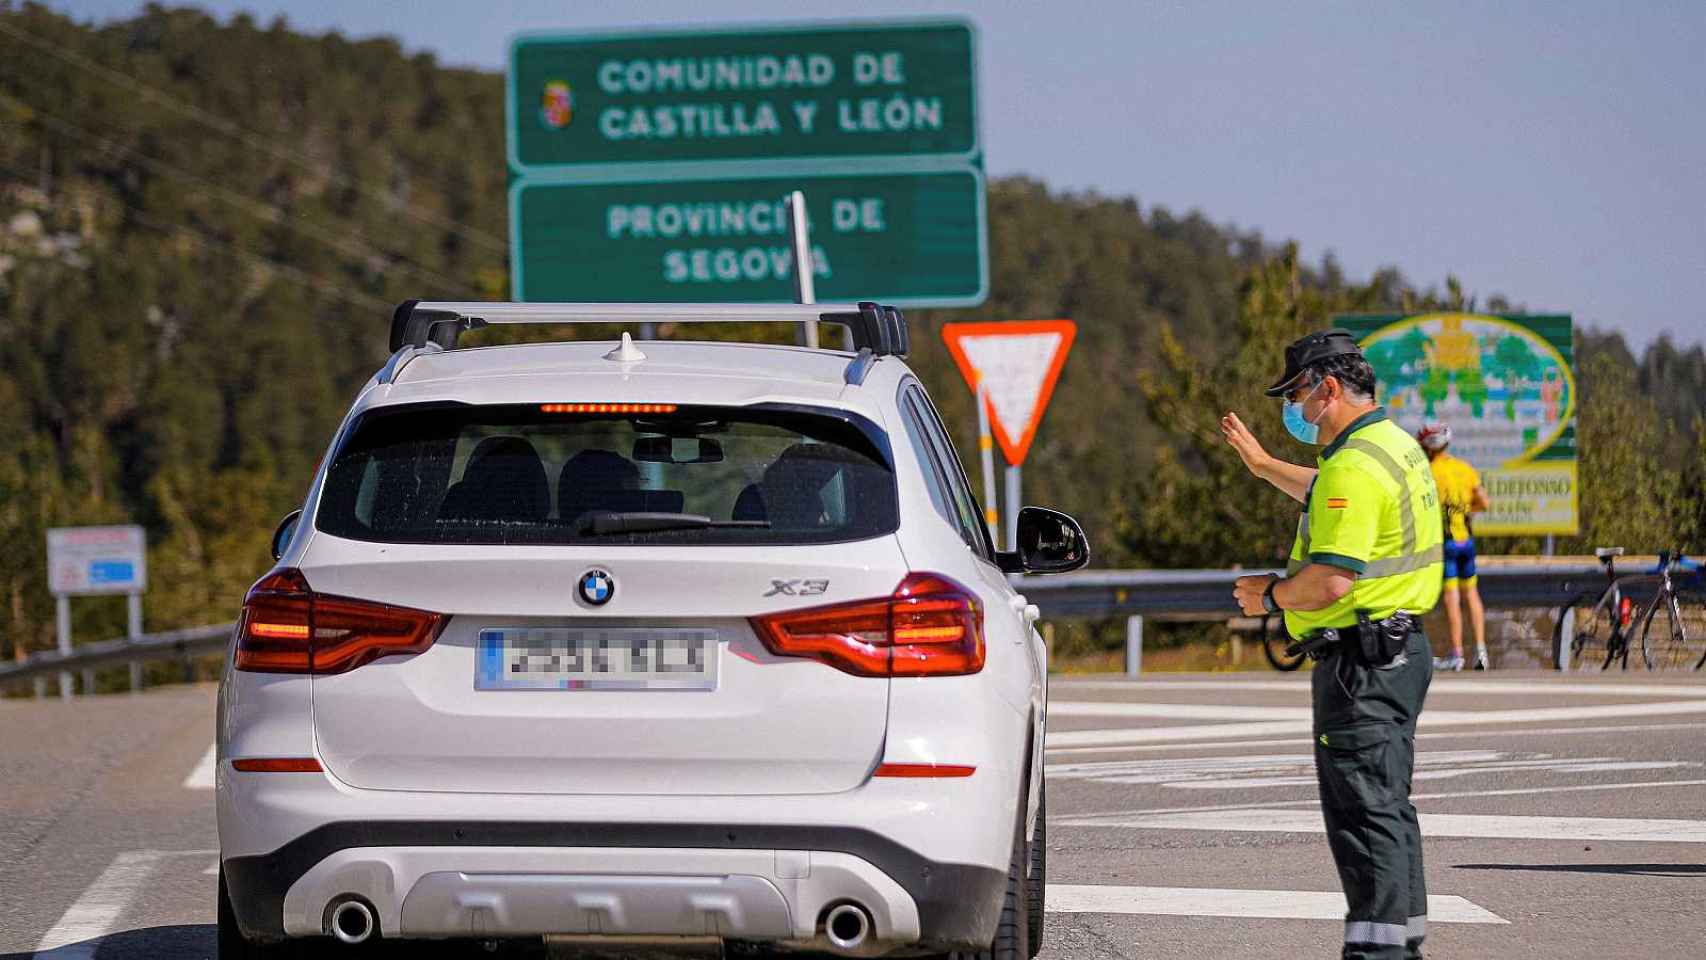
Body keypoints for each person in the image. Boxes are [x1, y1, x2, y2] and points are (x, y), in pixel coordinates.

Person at [1221, 329, 1444, 960]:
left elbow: (1330, 579)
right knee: (1389, 808)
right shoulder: (1391, 447)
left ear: (1329, 387)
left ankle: (1377, 955)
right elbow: (1325, 492)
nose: (1292, 408)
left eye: (1296, 393)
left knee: (1364, 817)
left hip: (1361, 664)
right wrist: (1263, 465)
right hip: (1398, 652)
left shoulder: (1352, 464)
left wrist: (1269, 594)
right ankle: (1403, 946)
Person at [1417, 423, 1491, 670]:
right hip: (1466, 541)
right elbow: (1484, 502)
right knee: (1472, 594)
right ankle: (1481, 651)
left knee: (1451, 598)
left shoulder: (1428, 472)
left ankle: (1457, 654)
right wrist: (1468, 510)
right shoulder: (1464, 468)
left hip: (1445, 542)